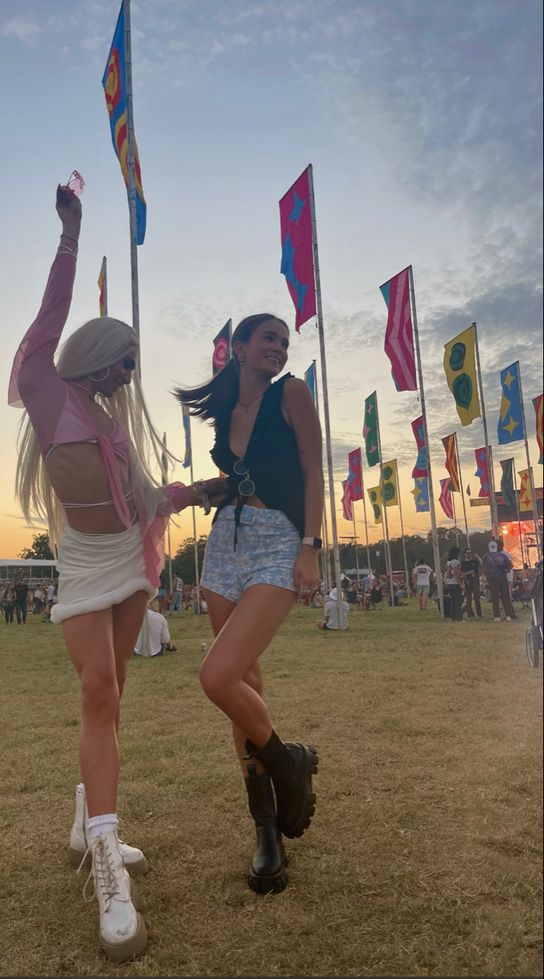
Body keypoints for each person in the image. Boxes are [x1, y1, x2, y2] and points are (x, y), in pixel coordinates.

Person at [10, 184, 224, 962]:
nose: (129, 373)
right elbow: (47, 320)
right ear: (97, 354)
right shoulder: (48, 390)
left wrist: (198, 491)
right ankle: (106, 858)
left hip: (132, 560)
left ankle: (85, 820)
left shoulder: (116, 425)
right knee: (96, 691)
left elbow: (142, 499)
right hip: (82, 564)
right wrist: (71, 236)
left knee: (114, 696)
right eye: (124, 359)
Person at [175, 312, 323, 898]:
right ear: (238, 348)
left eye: (284, 343)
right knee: (247, 684)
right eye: (268, 339)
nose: (280, 349)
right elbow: (242, 477)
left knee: (218, 675)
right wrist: (201, 491)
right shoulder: (224, 413)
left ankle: (288, 766)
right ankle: (267, 831)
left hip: (279, 543)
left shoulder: (292, 392)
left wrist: (310, 546)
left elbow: (313, 469)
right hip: (225, 548)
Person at [481, 539, 515, 621]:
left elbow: (484, 568)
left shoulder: (486, 556)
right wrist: (506, 571)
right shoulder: (503, 556)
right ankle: (508, 615)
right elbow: (510, 565)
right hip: (502, 577)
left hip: (493, 579)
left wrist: (487, 576)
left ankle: (497, 616)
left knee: (495, 597)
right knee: (505, 597)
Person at [460, 547, 483, 619]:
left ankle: (479, 614)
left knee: (477, 598)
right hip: (468, 582)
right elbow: (462, 573)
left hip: (475, 581)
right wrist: (468, 574)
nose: (469, 554)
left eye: (470, 553)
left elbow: (481, 563)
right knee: (469, 599)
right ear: (464, 554)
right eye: (467, 553)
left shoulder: (474, 561)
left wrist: (477, 556)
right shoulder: (463, 563)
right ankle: (469, 615)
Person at [444, 546, 463, 621]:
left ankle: (453, 617)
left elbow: (448, 573)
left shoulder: (448, 562)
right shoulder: (456, 562)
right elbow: (456, 573)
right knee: (457, 602)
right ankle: (458, 618)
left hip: (449, 583)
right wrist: (460, 583)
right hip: (455, 583)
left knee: (453, 601)